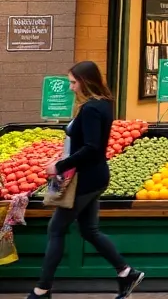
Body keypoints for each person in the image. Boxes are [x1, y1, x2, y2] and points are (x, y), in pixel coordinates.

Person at [27, 61, 144, 299]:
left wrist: (58, 166)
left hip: (85, 179)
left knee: (56, 229)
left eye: (73, 82)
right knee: (89, 230)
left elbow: (91, 147)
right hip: (96, 175)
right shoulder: (104, 104)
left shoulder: (91, 109)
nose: (70, 88)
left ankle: (42, 289)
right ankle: (126, 272)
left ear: (85, 81)